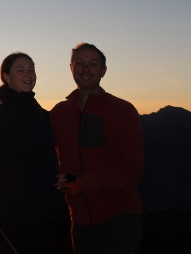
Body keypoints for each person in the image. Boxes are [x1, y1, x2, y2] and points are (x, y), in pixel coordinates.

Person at [50, 43, 144, 253]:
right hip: (80, 222)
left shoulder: (123, 110)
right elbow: (29, 133)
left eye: (92, 64)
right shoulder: (60, 113)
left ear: (103, 70)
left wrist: (84, 183)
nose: (85, 69)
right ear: (71, 67)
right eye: (79, 63)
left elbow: (133, 172)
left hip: (120, 219)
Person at [0, 52, 70, 253]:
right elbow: (1, 164)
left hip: (47, 209)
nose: (28, 74)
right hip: (17, 214)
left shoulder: (34, 109)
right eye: (20, 70)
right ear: (6, 76)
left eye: (31, 69)